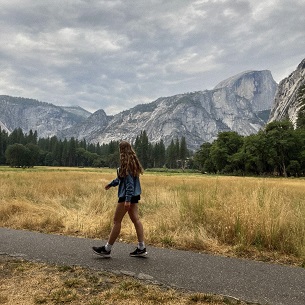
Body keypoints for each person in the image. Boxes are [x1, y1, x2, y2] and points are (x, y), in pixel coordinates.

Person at [92, 141, 147, 258]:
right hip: (134, 196)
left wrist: (127, 200)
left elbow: (129, 185)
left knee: (117, 221)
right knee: (136, 220)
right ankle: (141, 247)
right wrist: (111, 184)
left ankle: (107, 249)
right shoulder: (133, 164)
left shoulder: (126, 165)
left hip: (126, 197)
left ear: (121, 151)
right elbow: (120, 179)